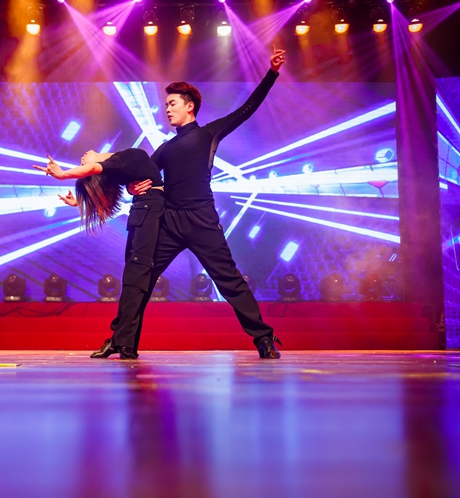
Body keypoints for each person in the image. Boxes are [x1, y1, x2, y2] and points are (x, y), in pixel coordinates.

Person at [95, 45, 286, 360]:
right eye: (166, 105)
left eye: (172, 104)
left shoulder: (209, 134)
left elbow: (248, 108)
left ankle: (264, 338)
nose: (167, 110)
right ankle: (122, 341)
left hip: (201, 220)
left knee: (230, 281)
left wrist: (272, 73)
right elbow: (139, 171)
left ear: (190, 106)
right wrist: (128, 185)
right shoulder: (165, 148)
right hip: (169, 221)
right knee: (139, 280)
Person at [34, 148, 163, 359]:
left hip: (153, 213)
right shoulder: (118, 166)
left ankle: (120, 340)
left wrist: (63, 174)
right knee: (134, 281)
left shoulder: (121, 161)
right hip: (145, 213)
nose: (82, 157)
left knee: (135, 280)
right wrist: (80, 199)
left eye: (83, 165)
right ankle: (122, 341)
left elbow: (97, 169)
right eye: (82, 165)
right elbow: (99, 174)